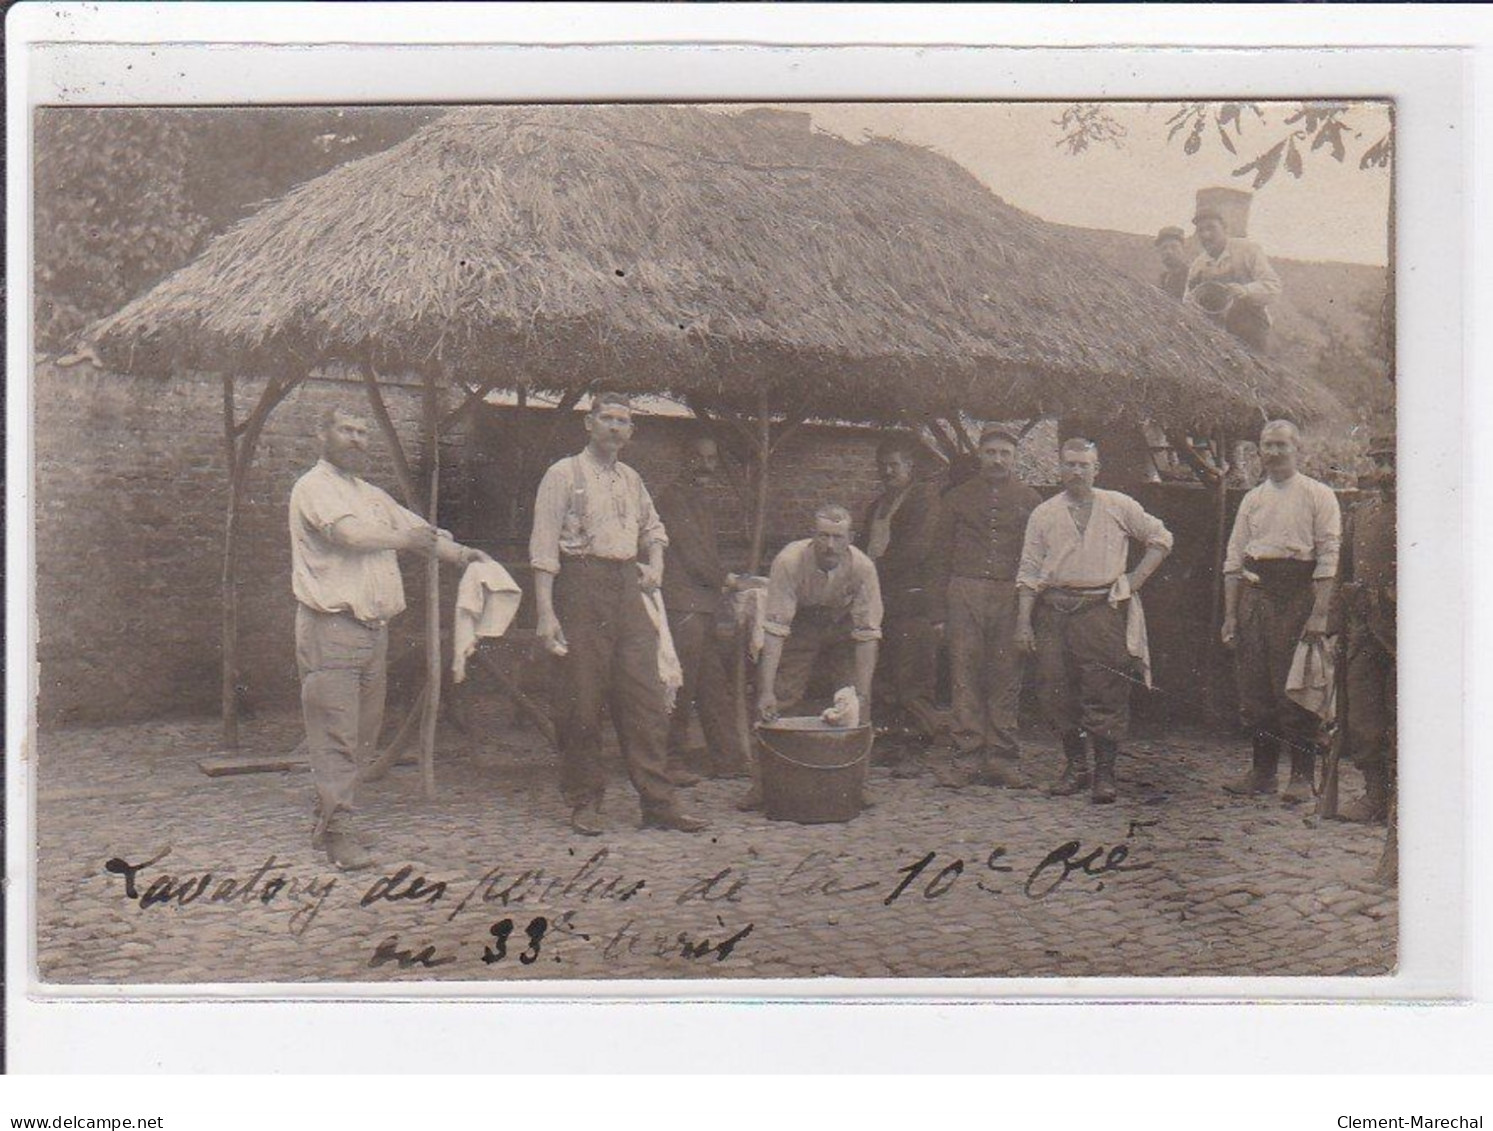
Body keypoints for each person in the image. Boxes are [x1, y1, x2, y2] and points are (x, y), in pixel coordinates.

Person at [290, 407, 491, 871]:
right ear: (322, 434)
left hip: (374, 629)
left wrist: (462, 554)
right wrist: (408, 539)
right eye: (346, 429)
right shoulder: (313, 487)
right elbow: (351, 536)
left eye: (363, 432)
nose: (356, 439)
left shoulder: (372, 494)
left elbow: (421, 534)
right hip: (332, 627)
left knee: (362, 736)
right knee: (336, 734)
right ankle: (340, 837)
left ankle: (330, 820)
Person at [530, 392, 706, 836]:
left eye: (623, 421)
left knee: (645, 697)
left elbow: (655, 529)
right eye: (606, 418)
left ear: (631, 431)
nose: (614, 427)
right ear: (588, 424)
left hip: (627, 587)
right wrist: (547, 612)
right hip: (580, 584)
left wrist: (657, 564)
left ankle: (658, 801)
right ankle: (585, 800)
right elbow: (544, 547)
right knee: (581, 698)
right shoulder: (562, 474)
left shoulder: (631, 478)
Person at [1016, 439, 1173, 804]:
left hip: (1099, 610)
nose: (1076, 471)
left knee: (1105, 690)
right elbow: (1028, 570)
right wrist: (1023, 622)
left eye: (1084, 465)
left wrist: (1133, 581)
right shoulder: (1044, 513)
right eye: (1069, 464)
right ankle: (1076, 767)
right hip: (1053, 610)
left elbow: (1161, 538)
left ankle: (1105, 773)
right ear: (1059, 468)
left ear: (1096, 468)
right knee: (1055, 689)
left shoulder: (1118, 505)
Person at [1221, 419, 1342, 805]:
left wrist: (1319, 614)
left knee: (1295, 687)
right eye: (1266, 445)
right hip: (1256, 596)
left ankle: (1302, 776)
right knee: (1255, 689)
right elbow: (1233, 560)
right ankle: (1262, 772)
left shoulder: (1318, 494)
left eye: (1280, 445)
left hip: (1298, 596)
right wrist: (1231, 615)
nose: (1272, 453)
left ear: (1297, 449)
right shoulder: (1253, 498)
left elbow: (1329, 558)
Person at [929, 426, 1043, 789]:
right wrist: (937, 613)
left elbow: (1038, 556)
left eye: (1004, 454)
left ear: (1015, 458)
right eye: (991, 452)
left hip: (1010, 595)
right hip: (964, 592)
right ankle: (966, 759)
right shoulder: (956, 498)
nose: (997, 460)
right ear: (979, 455)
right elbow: (939, 557)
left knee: (1006, 677)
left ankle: (1002, 760)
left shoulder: (1031, 500)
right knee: (964, 675)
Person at [653, 433, 749, 783]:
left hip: (701, 604)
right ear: (685, 459)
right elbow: (693, 553)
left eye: (712, 460)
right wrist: (726, 578)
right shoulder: (674, 498)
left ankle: (728, 759)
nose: (707, 466)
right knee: (683, 683)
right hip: (682, 604)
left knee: (713, 683)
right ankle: (670, 761)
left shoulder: (697, 498)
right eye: (700, 458)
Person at [858, 433, 943, 773]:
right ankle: (891, 742)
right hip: (882, 599)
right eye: (884, 466)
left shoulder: (925, 501)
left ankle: (917, 746)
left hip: (912, 599)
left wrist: (875, 569)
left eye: (895, 465)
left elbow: (916, 551)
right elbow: (865, 547)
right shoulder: (877, 505)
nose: (888, 472)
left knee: (913, 677)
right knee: (887, 676)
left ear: (911, 466)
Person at [755, 504, 883, 726]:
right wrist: (767, 691)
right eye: (824, 536)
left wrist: (863, 695)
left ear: (850, 538)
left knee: (852, 697)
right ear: (813, 535)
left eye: (838, 537)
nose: (830, 546)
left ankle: (849, 748)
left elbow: (868, 634)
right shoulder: (789, 561)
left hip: (844, 623)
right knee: (783, 691)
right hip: (802, 621)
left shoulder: (863, 567)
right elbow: (775, 630)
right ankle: (780, 744)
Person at [1338, 430, 1396, 828]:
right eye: (1379, 462)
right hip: (1363, 629)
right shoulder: (1362, 514)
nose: (1386, 471)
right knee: (1364, 712)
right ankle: (1375, 794)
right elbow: (1343, 572)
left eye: (1393, 460)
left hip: (1406, 632)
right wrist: (1336, 623)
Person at [1186, 207, 1283, 351]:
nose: (1206, 235)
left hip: (1251, 328)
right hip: (1217, 333)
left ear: (1225, 229)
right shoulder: (1198, 265)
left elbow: (1273, 286)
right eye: (1200, 231)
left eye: (1211, 228)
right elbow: (1187, 300)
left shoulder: (1247, 249)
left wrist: (1245, 290)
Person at [1154, 225, 1190, 301]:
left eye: (1174, 247)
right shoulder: (1162, 279)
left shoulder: (1192, 275)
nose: (1168, 252)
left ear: (1183, 249)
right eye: (1164, 248)